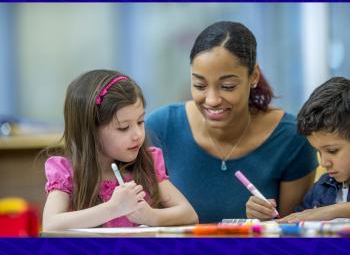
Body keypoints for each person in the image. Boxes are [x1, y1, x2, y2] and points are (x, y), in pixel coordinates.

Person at [146, 21, 318, 223]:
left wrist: (268, 220)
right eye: (199, 85)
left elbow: (292, 230)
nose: (212, 100)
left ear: (253, 76)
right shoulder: (161, 128)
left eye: (227, 86)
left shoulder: (291, 139)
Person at [42, 70, 198, 230]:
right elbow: (51, 224)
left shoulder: (147, 163)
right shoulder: (66, 172)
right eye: (123, 128)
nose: (137, 134)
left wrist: (152, 216)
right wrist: (113, 208)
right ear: (91, 132)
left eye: (140, 121)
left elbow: (189, 214)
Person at [278, 77, 350, 223]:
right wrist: (267, 220)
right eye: (318, 151)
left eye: (332, 150)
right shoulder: (321, 188)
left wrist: (332, 211)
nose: (324, 163)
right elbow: (297, 221)